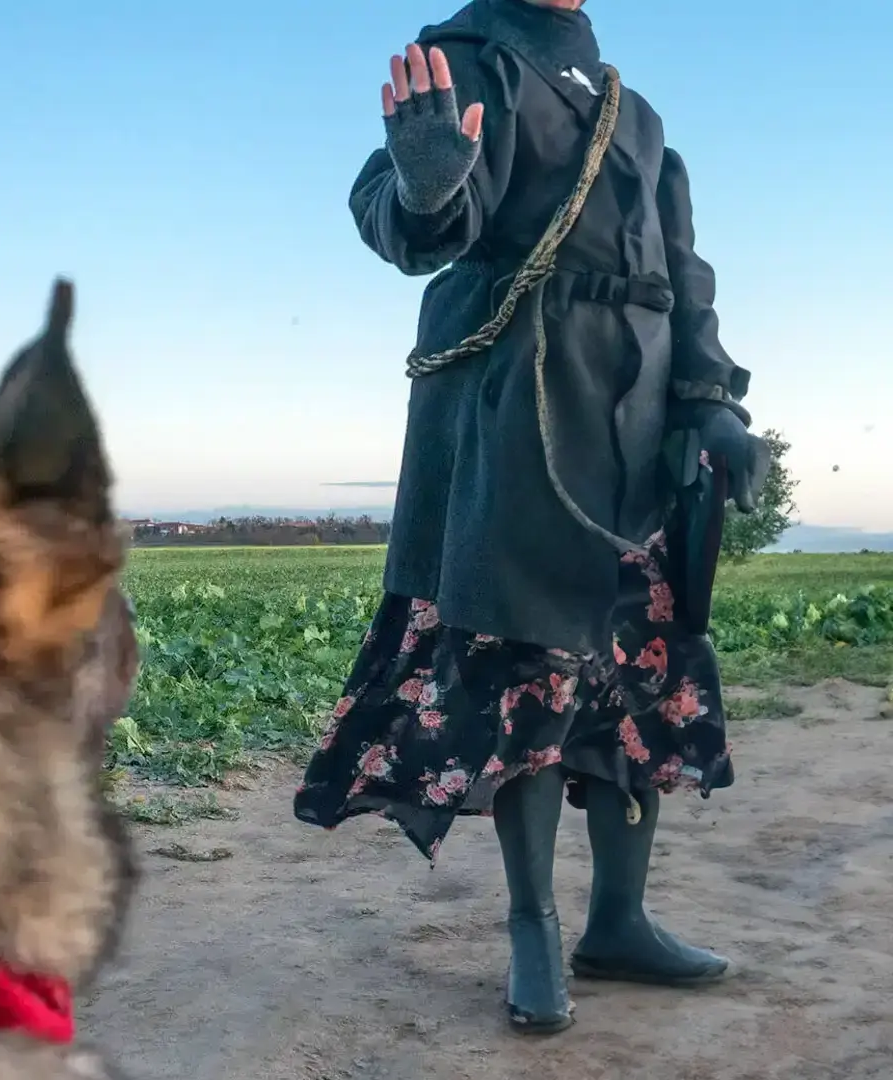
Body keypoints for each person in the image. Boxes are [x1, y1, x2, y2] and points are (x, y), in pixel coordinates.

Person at [292, 0, 773, 1035]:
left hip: (640, 421)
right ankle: (534, 928)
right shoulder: (466, 59)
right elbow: (407, 219)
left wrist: (712, 401)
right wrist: (427, 189)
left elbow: (683, 273)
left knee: (638, 665)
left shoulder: (632, 110)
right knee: (531, 670)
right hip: (522, 405)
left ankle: (620, 921)